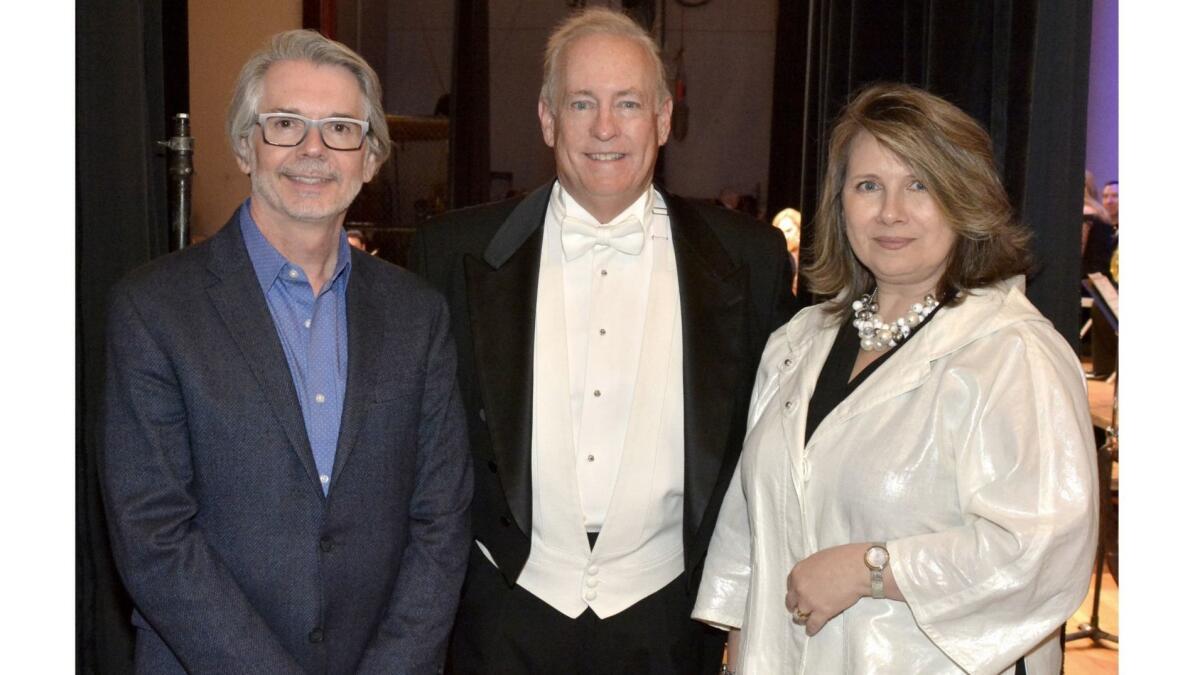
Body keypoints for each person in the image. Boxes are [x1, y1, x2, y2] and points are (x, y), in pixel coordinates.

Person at [409, 7, 795, 673]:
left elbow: (778, 444)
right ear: (547, 118)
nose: (606, 127)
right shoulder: (453, 253)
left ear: (665, 119)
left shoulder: (751, 260)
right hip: (501, 614)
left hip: (673, 621)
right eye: (582, 103)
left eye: (629, 104)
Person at [693, 83, 1098, 674]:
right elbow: (750, 528)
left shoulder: (1013, 353)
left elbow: (1042, 552)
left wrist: (872, 569)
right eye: (868, 186)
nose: (891, 212)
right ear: (841, 203)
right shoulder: (799, 342)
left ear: (965, 197)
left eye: (920, 185)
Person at [101, 30, 472, 673]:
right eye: (284, 124)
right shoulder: (154, 310)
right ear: (245, 145)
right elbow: (154, 536)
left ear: (371, 157)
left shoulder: (419, 315)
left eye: (340, 128)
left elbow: (441, 521)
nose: (313, 150)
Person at [772, 207, 801, 294]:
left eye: (789, 231)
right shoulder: (776, 259)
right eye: (781, 232)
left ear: (799, 230)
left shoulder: (810, 258)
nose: (785, 236)